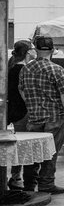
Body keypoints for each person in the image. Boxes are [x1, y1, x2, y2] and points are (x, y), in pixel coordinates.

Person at [19, 35, 64, 194]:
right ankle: (46, 185)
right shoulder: (57, 69)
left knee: (32, 153)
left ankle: (29, 185)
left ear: (35, 50)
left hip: (34, 118)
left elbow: (21, 89)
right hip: (55, 118)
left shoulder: (25, 68)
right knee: (50, 153)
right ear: (53, 50)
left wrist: (31, 104)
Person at [5, 40, 33, 191]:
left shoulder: (10, 67)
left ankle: (15, 176)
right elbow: (25, 93)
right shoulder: (24, 69)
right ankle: (16, 177)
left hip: (11, 111)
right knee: (23, 145)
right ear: (27, 52)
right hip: (23, 111)